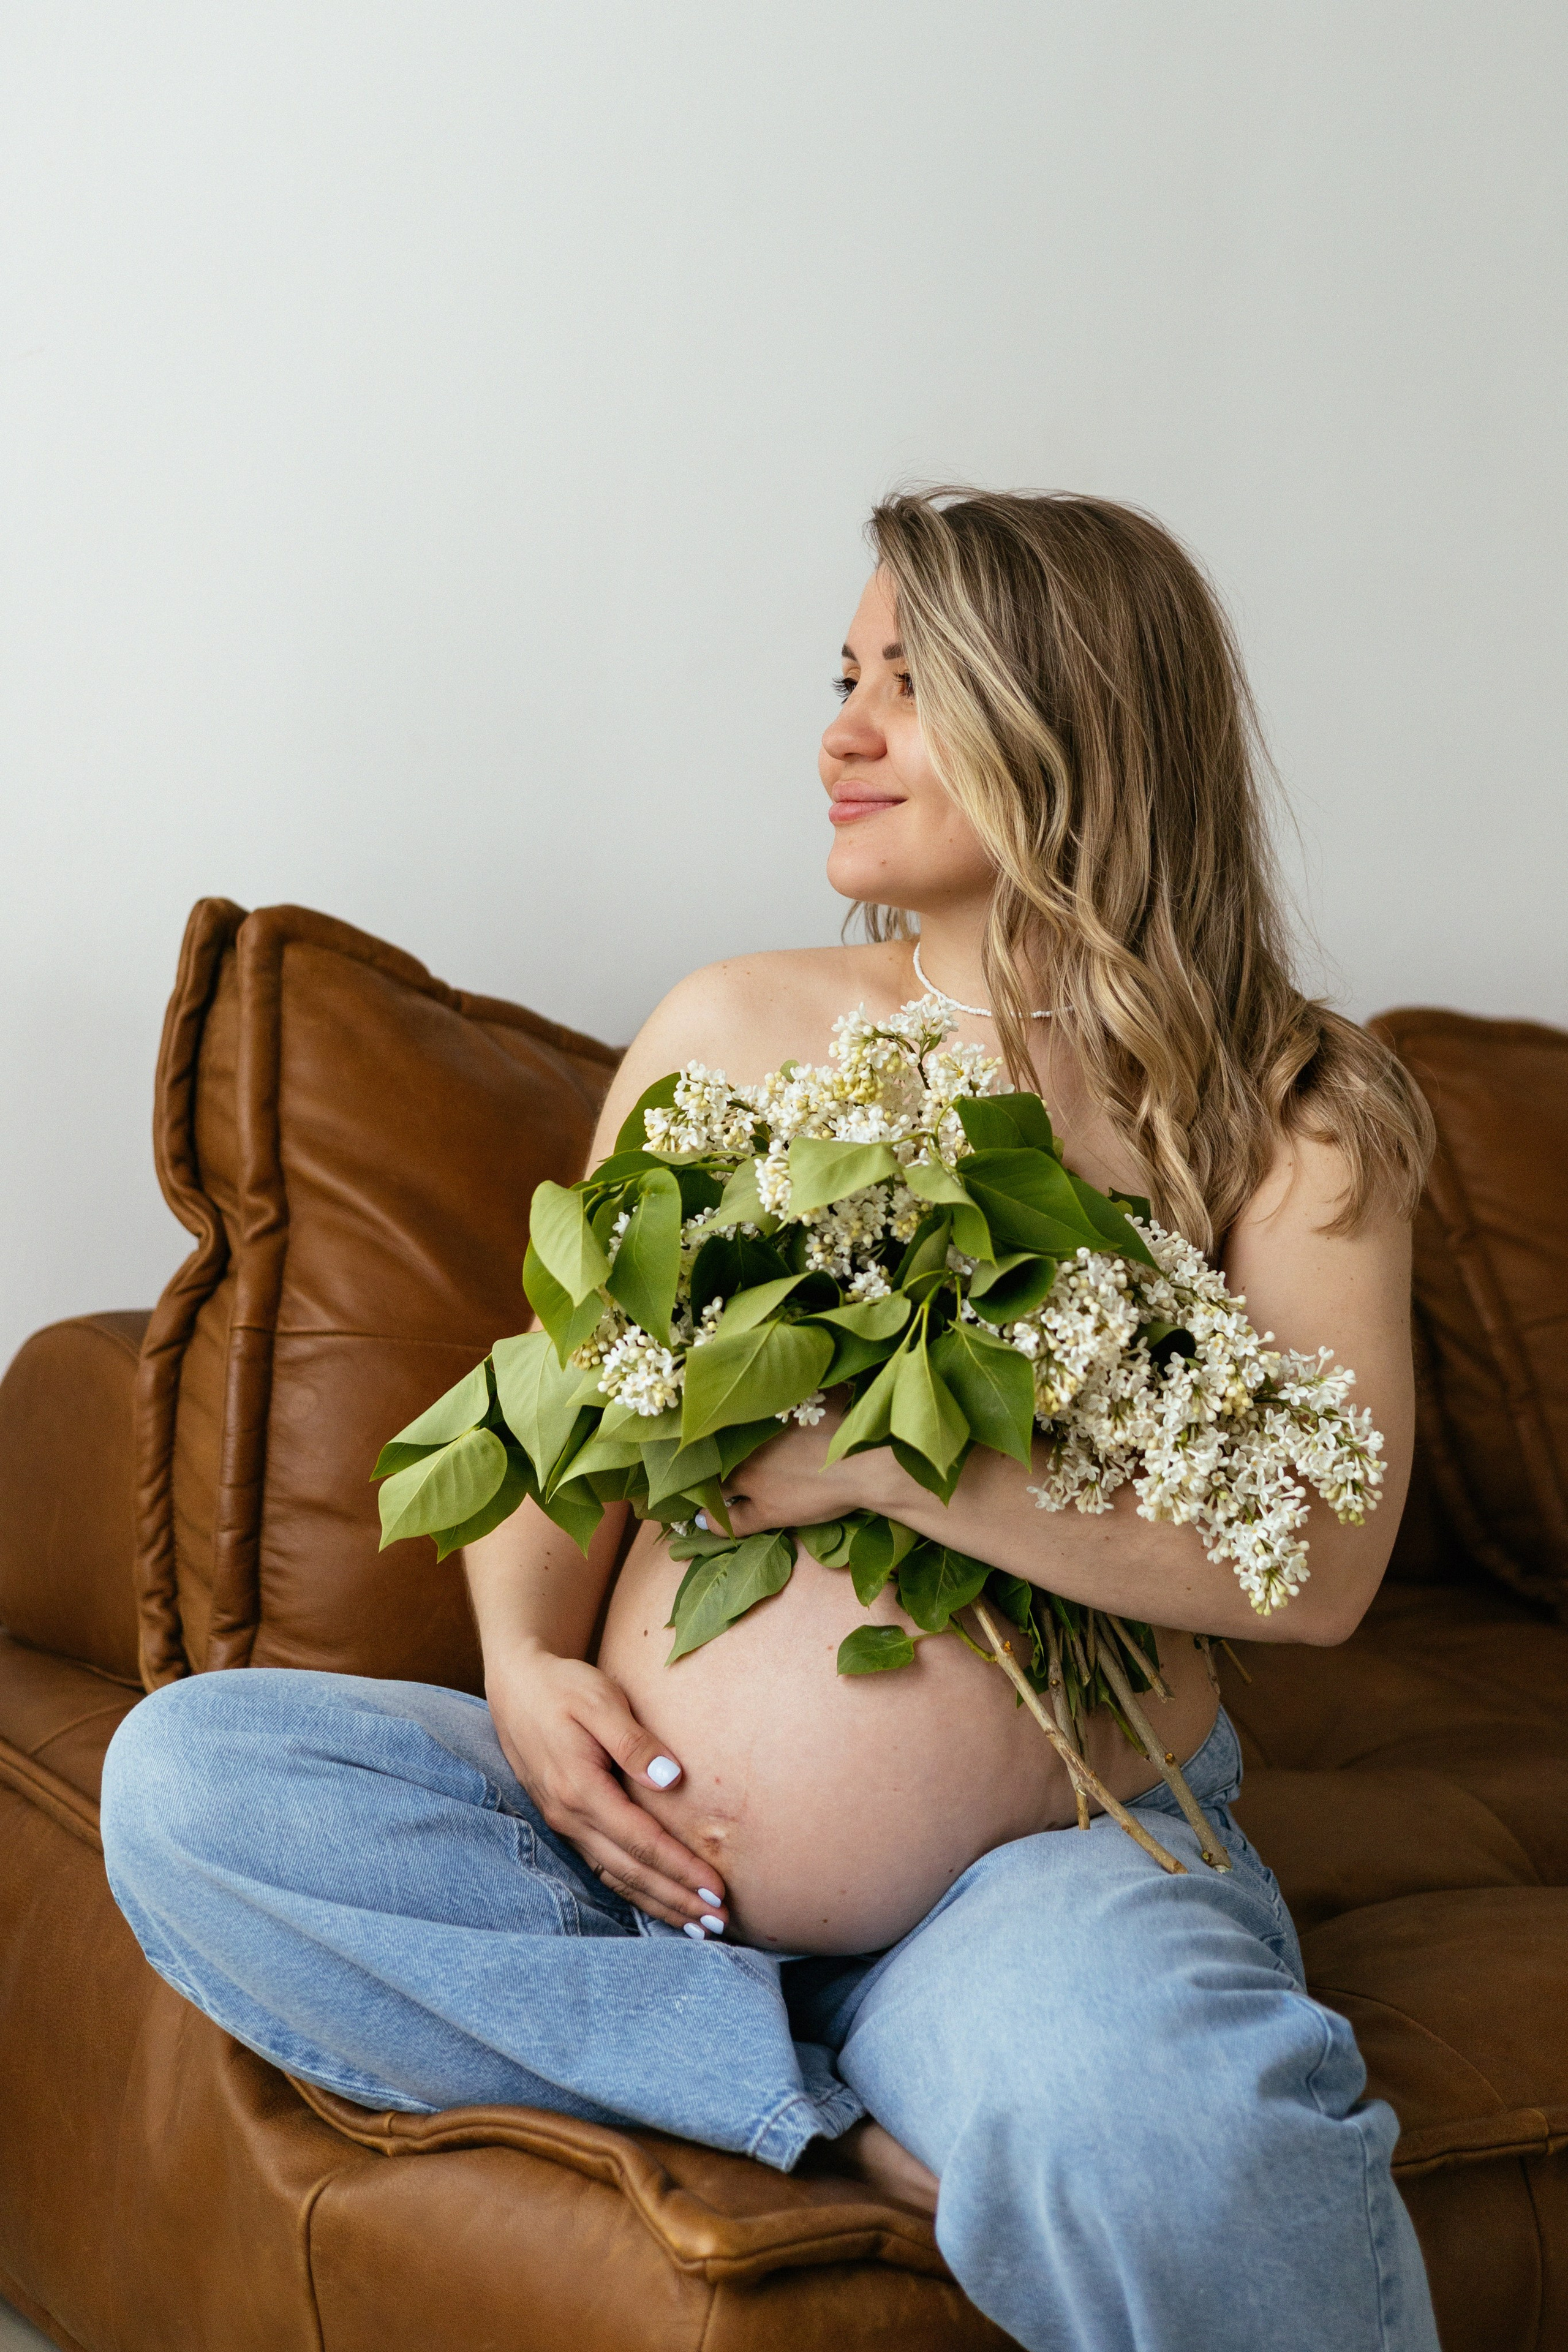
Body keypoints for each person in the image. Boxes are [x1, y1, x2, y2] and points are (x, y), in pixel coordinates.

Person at [100, 489, 1441, 2351]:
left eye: (912, 685)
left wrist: (893, 1458)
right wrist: (521, 1670)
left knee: (1179, 2130)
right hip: (625, 1863)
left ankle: (870, 2057)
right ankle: (814, 2105)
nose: (842, 736)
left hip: (1041, 1870)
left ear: (1079, 719)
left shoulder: (1288, 1110)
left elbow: (1316, 1567)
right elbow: (575, 1418)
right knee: (190, 1781)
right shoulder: (733, 1028)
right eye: (844, 676)